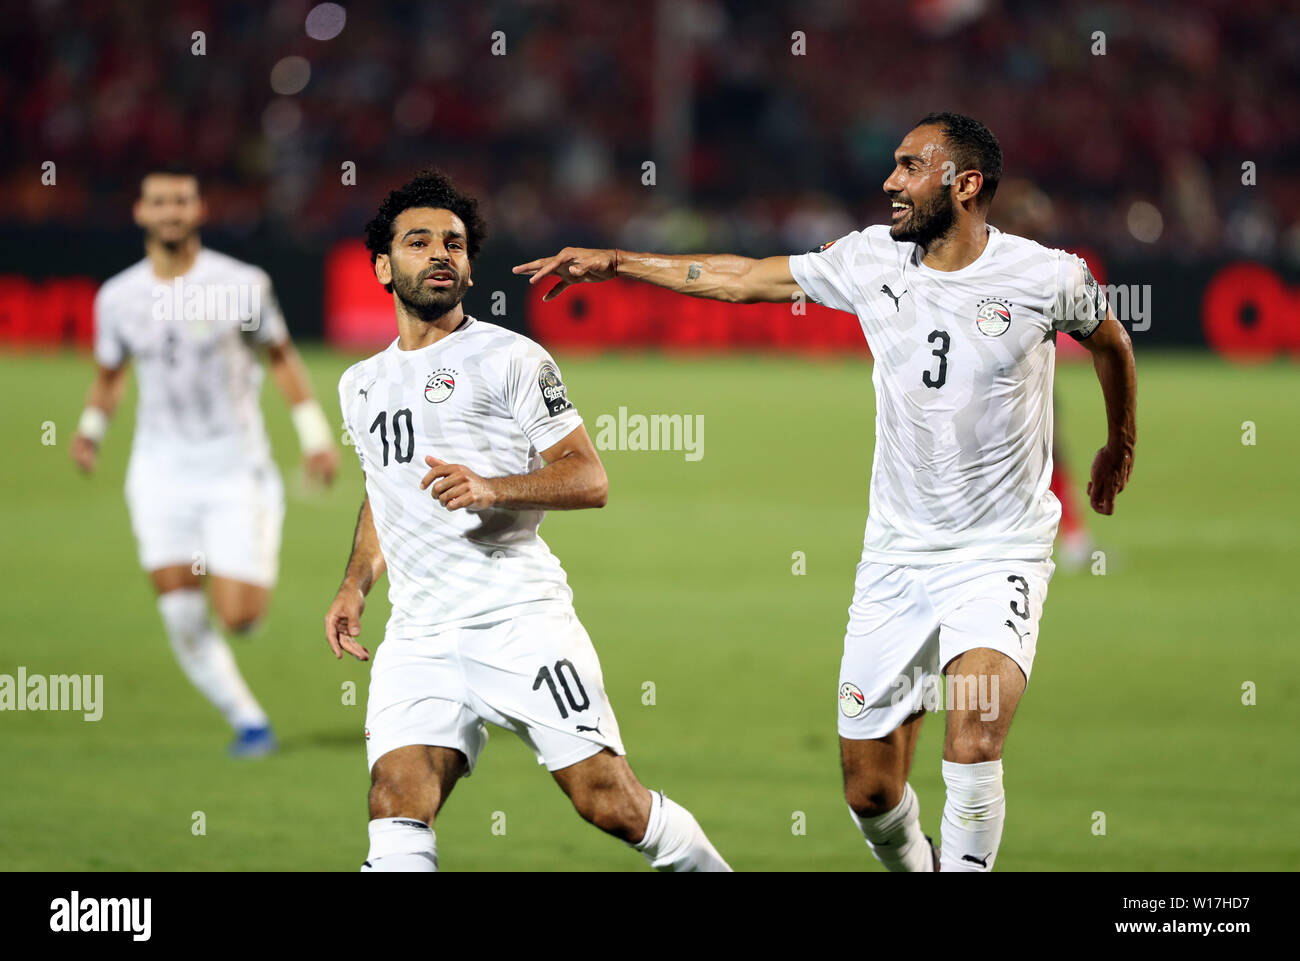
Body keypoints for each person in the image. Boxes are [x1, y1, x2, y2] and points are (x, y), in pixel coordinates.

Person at [515, 112, 1137, 871]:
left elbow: (1110, 339)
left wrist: (1119, 441)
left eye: (911, 167)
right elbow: (745, 278)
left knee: (973, 734)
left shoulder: (1047, 276)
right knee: (871, 791)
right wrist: (618, 261)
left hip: (999, 549)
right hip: (897, 558)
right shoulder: (870, 259)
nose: (890, 182)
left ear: (966, 184)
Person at [325, 169, 729, 872]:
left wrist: (492, 487)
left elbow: (588, 477)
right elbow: (382, 489)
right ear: (384, 267)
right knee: (395, 801)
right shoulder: (359, 382)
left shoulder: (510, 357)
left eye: (454, 242)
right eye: (419, 242)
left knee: (608, 801)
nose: (441, 253)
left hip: (518, 620)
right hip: (418, 636)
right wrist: (357, 581)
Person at [73, 166, 339, 757]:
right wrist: (91, 430)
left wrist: (315, 436)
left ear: (199, 211)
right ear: (141, 213)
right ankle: (249, 721)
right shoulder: (117, 296)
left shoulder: (241, 284)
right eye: (159, 202)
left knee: (240, 617)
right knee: (180, 613)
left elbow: (282, 358)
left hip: (234, 469)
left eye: (181, 201)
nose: (171, 211)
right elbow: (111, 373)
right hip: (160, 472)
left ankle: (241, 576)